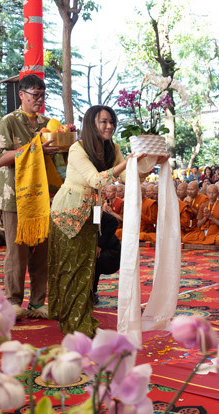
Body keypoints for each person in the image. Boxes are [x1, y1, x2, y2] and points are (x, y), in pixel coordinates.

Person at [47, 104, 131, 336]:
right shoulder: (78, 148)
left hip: (91, 214)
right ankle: (70, 318)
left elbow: (127, 176)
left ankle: (80, 317)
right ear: (91, 124)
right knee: (70, 268)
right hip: (67, 213)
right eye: (104, 121)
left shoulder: (112, 148)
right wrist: (125, 164)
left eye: (112, 122)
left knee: (86, 268)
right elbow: (95, 180)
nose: (109, 126)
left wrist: (146, 162)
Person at [0, 74, 58, 320]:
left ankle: (38, 301)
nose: (39, 100)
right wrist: (34, 147)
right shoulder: (8, 122)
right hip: (15, 197)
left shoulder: (47, 122)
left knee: (43, 252)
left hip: (42, 196)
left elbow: (56, 159)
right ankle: (12, 300)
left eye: (42, 95)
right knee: (17, 252)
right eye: (34, 95)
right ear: (21, 95)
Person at [93, 211, 121, 305]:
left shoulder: (95, 211)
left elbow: (114, 221)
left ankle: (92, 293)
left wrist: (100, 245)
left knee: (95, 261)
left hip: (110, 251)